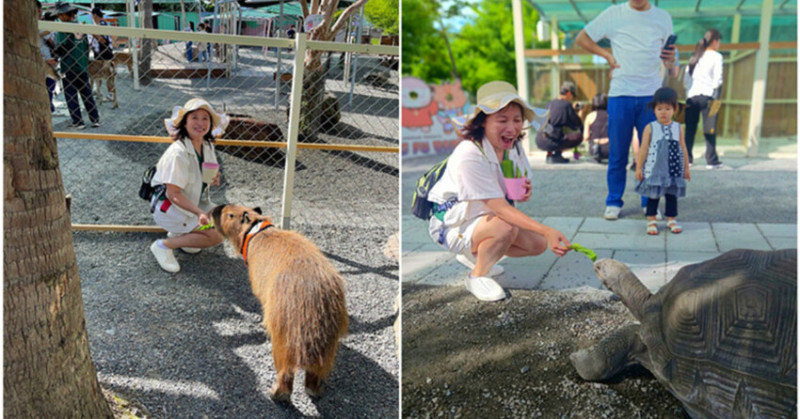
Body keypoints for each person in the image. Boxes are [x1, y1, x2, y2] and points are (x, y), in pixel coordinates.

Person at [427, 81, 571, 302]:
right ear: (483, 121)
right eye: (502, 120)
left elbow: (513, 187)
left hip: (483, 217)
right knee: (506, 226)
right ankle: (477, 275)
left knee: (537, 244)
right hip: (453, 224)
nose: (512, 128)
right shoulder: (470, 153)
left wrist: (523, 191)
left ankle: (477, 255)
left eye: (517, 120)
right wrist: (546, 229)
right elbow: (501, 209)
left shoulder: (513, 147)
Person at [575, 0, 679, 221]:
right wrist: (607, 56)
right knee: (618, 153)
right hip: (620, 94)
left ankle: (649, 202)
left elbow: (673, 66)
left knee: (651, 154)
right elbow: (582, 38)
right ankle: (613, 201)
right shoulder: (614, 14)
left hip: (652, 97)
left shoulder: (663, 18)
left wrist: (671, 61)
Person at [149, 98, 229, 273]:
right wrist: (200, 213)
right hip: (169, 207)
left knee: (223, 218)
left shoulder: (206, 146)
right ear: (184, 123)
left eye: (205, 118)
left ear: (210, 124)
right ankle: (163, 245)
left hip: (189, 202)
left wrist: (213, 179)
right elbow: (173, 194)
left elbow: (201, 177)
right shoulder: (178, 153)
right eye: (194, 117)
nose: (200, 123)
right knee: (217, 235)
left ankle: (183, 235)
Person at [634, 87, 690, 236]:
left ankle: (671, 219)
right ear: (654, 109)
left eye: (667, 109)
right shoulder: (650, 127)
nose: (663, 112)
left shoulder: (678, 128)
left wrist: (686, 168)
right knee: (653, 194)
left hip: (673, 168)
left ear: (675, 109)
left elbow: (683, 147)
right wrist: (639, 168)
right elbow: (643, 148)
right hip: (654, 168)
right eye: (659, 109)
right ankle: (651, 220)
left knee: (672, 195)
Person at [53, 1, 101, 129]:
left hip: (68, 66)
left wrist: (55, 55)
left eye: (59, 15)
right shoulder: (81, 26)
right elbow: (86, 47)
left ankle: (78, 121)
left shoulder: (63, 28)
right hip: (82, 65)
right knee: (87, 93)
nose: (58, 17)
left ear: (64, 15)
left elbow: (62, 47)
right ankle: (95, 119)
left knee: (71, 95)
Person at [684, 29, 724, 169]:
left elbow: (686, 80)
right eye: (719, 42)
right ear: (714, 41)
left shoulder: (695, 56)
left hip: (691, 97)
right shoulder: (717, 56)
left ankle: (687, 160)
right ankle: (711, 160)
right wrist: (714, 92)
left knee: (690, 129)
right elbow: (718, 79)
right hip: (709, 96)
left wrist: (689, 92)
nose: (719, 44)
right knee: (710, 128)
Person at [534, 81, 584, 164]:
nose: (572, 99)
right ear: (568, 93)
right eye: (572, 96)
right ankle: (557, 155)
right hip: (553, 141)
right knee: (578, 136)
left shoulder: (549, 103)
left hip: (540, 140)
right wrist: (580, 111)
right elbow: (576, 124)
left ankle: (550, 155)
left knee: (554, 130)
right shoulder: (567, 105)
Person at [37, 1, 59, 114]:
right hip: (46, 58)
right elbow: (51, 42)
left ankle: (48, 106)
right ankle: (49, 107)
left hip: (42, 58)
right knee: (50, 83)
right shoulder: (40, 25)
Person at [89, 7, 115, 101]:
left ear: (95, 15)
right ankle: (98, 91)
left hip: (105, 53)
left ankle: (111, 94)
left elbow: (103, 40)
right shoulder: (99, 24)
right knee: (98, 73)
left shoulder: (102, 25)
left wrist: (93, 34)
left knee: (107, 73)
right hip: (99, 53)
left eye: (92, 16)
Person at [584, 93, 609, 162]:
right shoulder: (612, 115)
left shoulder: (590, 116)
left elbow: (586, 137)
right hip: (611, 149)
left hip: (595, 149)